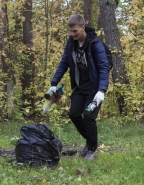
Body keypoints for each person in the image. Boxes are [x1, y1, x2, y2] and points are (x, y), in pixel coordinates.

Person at [47, 14, 110, 160]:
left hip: (95, 87)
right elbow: (64, 63)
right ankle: (91, 141)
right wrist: (53, 83)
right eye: (70, 31)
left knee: (88, 115)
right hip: (80, 86)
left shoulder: (95, 43)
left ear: (83, 27)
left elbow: (103, 67)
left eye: (75, 31)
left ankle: (92, 150)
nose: (72, 34)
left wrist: (101, 91)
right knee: (74, 114)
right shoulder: (71, 43)